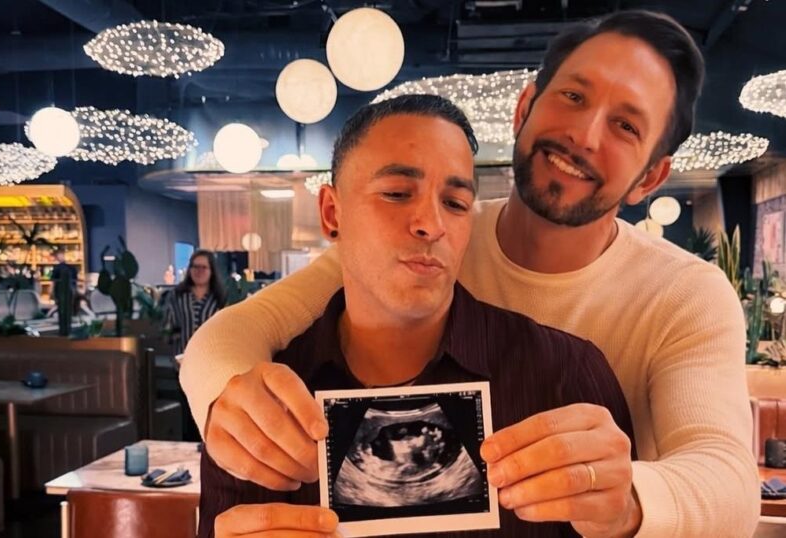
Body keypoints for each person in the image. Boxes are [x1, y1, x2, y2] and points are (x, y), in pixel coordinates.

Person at [182, 10, 759, 538]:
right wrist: (233, 411)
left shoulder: (680, 296)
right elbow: (240, 330)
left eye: (626, 126)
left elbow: (728, 480)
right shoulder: (431, 239)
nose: (585, 135)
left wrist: (625, 499)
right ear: (524, 108)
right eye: (573, 96)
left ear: (651, 178)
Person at [198, 94, 637, 538]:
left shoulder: (562, 376)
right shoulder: (258, 413)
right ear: (332, 213)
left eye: (456, 203)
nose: (431, 224)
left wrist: (622, 521)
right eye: (396, 194)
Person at [163, 249, 226, 356]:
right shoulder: (177, 295)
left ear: (212, 271)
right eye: (195, 267)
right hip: (182, 356)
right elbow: (168, 326)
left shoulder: (220, 297)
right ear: (190, 269)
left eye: (204, 267)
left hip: (212, 357)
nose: (199, 271)